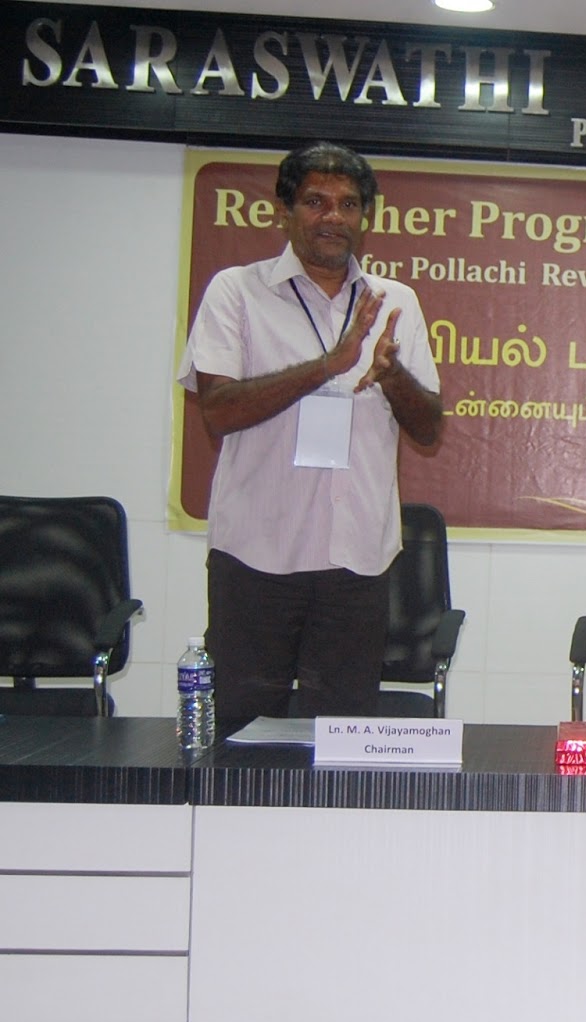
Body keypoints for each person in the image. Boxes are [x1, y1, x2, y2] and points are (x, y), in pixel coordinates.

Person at [177, 141, 443, 727]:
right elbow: (217, 410)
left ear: (365, 218)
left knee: (342, 743)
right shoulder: (236, 292)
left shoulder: (395, 302)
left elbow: (429, 428)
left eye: (349, 204)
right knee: (240, 736)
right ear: (285, 211)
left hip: (356, 562)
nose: (333, 217)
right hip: (256, 555)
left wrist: (391, 375)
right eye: (316, 201)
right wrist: (329, 365)